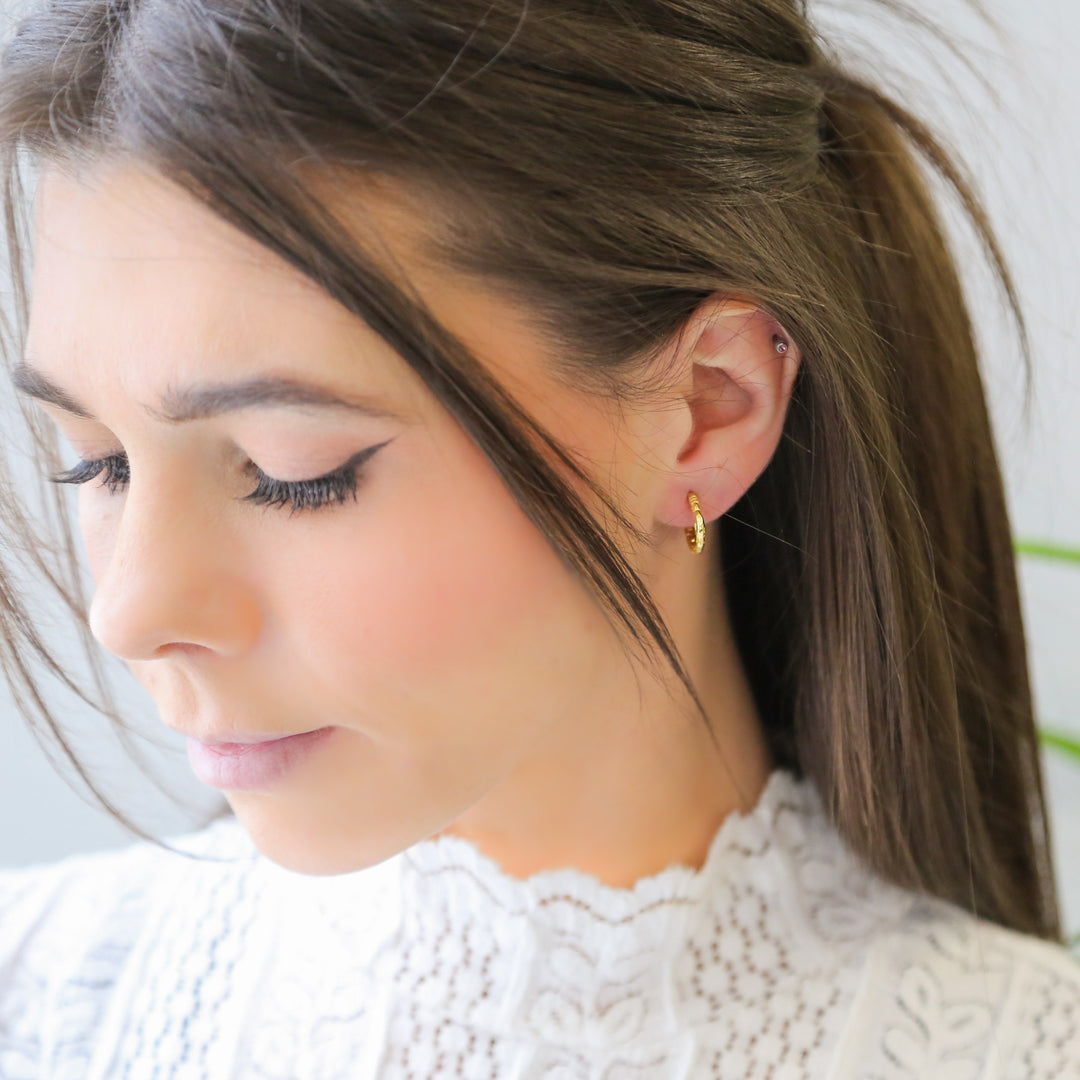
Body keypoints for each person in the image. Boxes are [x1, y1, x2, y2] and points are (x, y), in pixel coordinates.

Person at [0, 0, 1076, 1076]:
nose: (131, 612)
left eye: (296, 474)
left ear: (706, 408)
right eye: (99, 463)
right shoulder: (39, 1005)